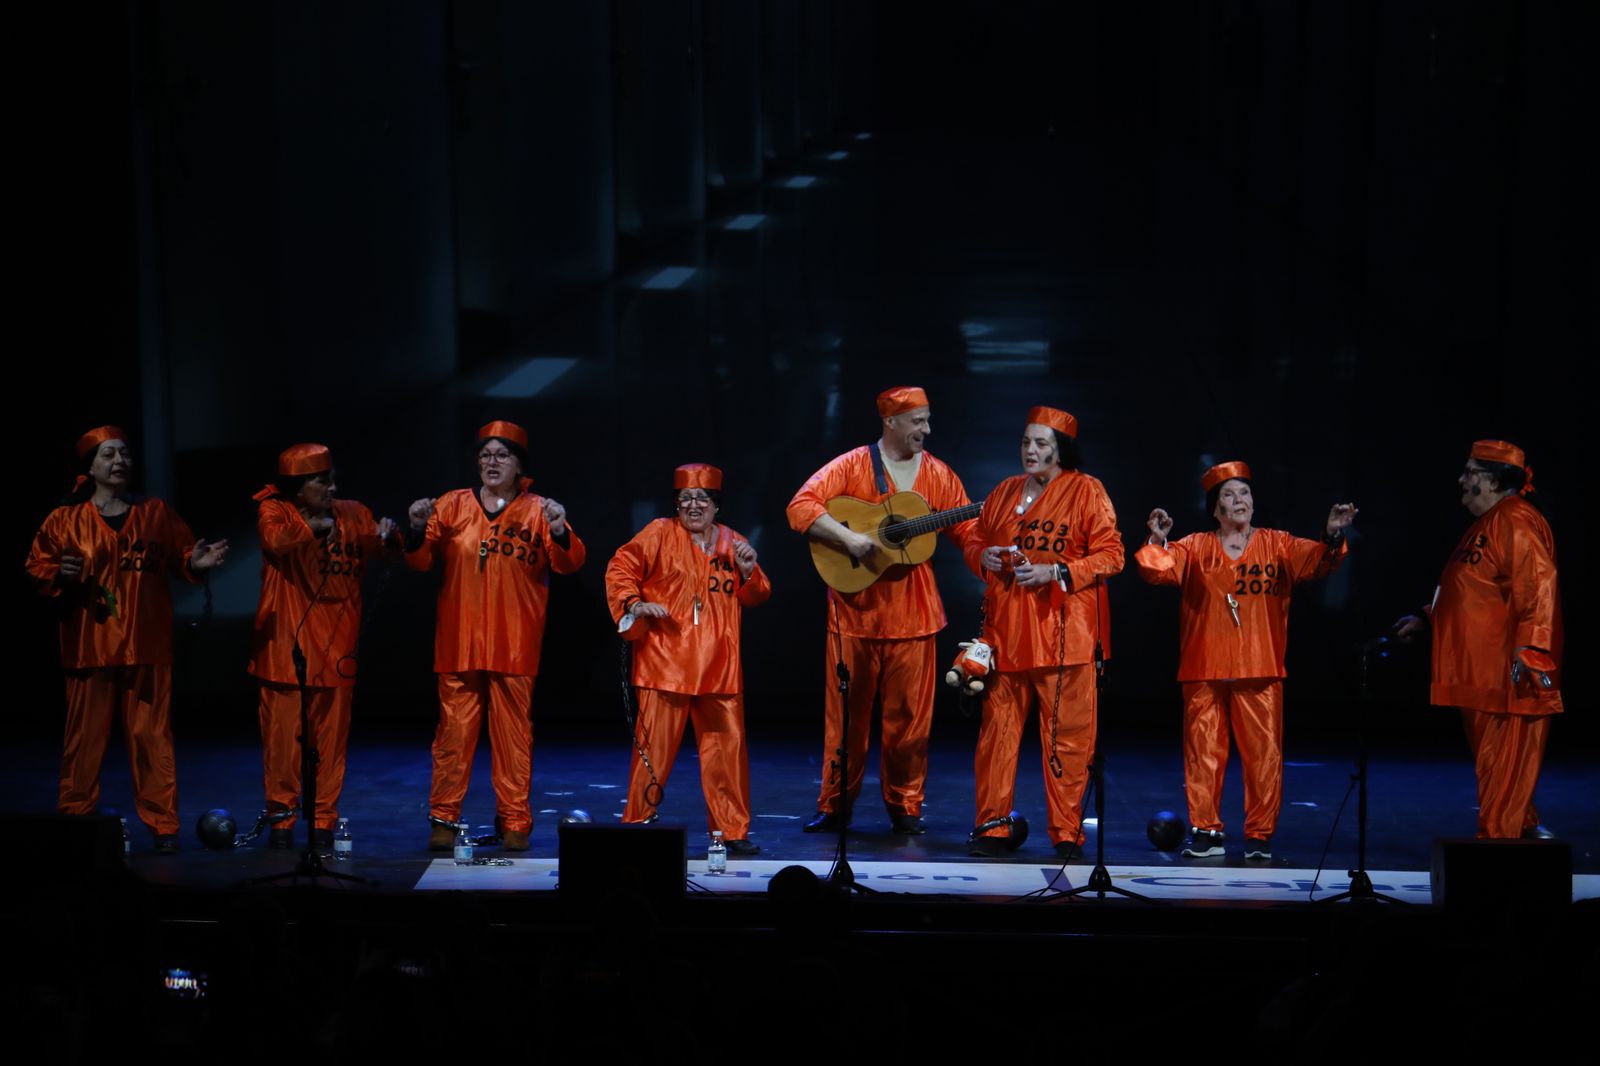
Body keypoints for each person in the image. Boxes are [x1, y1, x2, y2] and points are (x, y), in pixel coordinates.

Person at [1136, 461, 1356, 860]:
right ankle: (1207, 831)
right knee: (1203, 751)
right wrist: (1158, 539)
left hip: (1260, 666)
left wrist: (1332, 534)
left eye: (1245, 493)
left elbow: (1320, 561)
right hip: (1205, 667)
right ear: (1215, 508)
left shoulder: (1278, 544)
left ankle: (1258, 835)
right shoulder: (1194, 547)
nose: (1240, 501)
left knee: (1263, 754)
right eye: (1229, 495)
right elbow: (1156, 570)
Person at [25, 426, 228, 852]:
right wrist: (56, 574)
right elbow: (36, 566)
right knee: (84, 743)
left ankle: (163, 827)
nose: (119, 461)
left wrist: (197, 562)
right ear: (91, 467)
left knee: (152, 740)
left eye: (124, 454)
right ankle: (76, 820)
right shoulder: (64, 519)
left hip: (145, 644)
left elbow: (183, 557)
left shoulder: (155, 512)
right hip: (89, 646)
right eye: (108, 455)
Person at [787, 386, 975, 835]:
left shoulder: (938, 473)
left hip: (915, 617)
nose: (926, 430)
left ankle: (905, 805)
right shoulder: (852, 465)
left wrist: (986, 552)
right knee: (846, 721)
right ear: (891, 423)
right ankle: (835, 805)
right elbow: (801, 506)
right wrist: (849, 539)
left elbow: (968, 528)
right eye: (918, 421)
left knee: (910, 723)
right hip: (855, 613)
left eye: (928, 420)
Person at [405, 420, 585, 851]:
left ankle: (515, 820)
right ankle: (444, 819)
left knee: (513, 738)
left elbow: (571, 562)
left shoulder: (539, 509)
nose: (492, 462)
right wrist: (414, 527)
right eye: (485, 455)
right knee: (453, 736)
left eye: (502, 455)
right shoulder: (450, 506)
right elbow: (419, 560)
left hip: (514, 643)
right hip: (459, 641)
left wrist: (560, 530)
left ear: (519, 465)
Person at [964, 407, 1123, 858]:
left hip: (1064, 640)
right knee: (997, 737)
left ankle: (1066, 831)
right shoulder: (1003, 492)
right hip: (1006, 638)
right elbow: (975, 539)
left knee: (1068, 743)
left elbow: (1112, 555)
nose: (1030, 451)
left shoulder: (1086, 491)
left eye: (1041, 444)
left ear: (1060, 451)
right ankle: (993, 827)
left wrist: (1057, 571)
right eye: (1026, 442)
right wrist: (983, 557)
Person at [1393, 440, 1561, 839]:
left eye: (1469, 472)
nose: (1461, 480)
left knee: (1505, 760)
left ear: (1491, 480)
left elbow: (1538, 587)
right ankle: (1522, 826)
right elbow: (1471, 587)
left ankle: (1499, 844)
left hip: (1509, 670)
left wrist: (1533, 651)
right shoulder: (1486, 524)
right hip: (1481, 669)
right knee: (1495, 762)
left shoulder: (1515, 520)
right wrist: (1428, 618)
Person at [606, 464, 771, 854]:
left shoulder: (735, 542)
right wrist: (634, 603)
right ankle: (638, 821)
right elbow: (620, 566)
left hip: (719, 666)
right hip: (665, 662)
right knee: (653, 755)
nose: (694, 506)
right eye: (686, 499)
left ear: (716, 506)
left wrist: (749, 572)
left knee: (726, 756)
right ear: (676, 505)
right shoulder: (659, 533)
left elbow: (759, 593)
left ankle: (732, 830)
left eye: (703, 499)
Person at [249, 444, 396, 850]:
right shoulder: (276, 511)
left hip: (336, 649)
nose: (332, 487)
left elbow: (386, 547)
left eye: (332, 478)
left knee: (330, 744)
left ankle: (323, 821)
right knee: (282, 743)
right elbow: (274, 540)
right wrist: (311, 527)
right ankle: (281, 821)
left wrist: (396, 533)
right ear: (298, 488)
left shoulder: (353, 512)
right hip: (285, 650)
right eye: (321, 480)